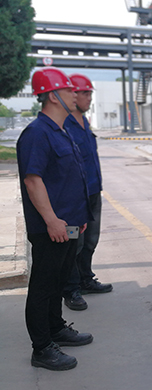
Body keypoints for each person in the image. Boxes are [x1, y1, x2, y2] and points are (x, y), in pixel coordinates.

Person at [17, 68, 94, 371]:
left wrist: (78, 218)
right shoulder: (37, 133)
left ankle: (56, 329)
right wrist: (51, 220)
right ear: (52, 96)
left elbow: (68, 179)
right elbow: (33, 180)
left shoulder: (61, 130)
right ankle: (42, 348)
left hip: (69, 224)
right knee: (44, 285)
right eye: (68, 90)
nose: (75, 94)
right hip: (51, 227)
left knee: (60, 280)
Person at [62, 74, 112, 311]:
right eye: (85, 93)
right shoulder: (63, 125)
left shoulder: (84, 122)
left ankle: (85, 279)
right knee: (74, 243)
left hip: (92, 192)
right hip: (74, 197)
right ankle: (71, 290)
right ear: (72, 95)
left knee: (91, 239)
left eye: (90, 93)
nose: (89, 98)